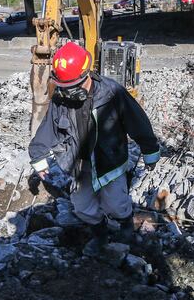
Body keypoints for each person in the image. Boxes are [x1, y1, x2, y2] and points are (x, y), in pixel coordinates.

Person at [28, 41, 160, 256]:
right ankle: (99, 233)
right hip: (79, 164)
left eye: (73, 86)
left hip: (109, 161)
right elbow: (48, 128)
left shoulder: (112, 93)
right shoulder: (61, 97)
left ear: (86, 74)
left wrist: (150, 151)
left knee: (116, 203)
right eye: (64, 87)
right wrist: (38, 156)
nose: (68, 92)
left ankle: (125, 223)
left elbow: (138, 122)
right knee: (82, 206)